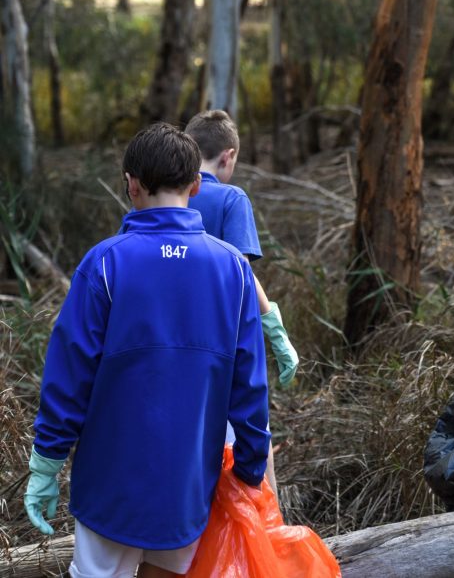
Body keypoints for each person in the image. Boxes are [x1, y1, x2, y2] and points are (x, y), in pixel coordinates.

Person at [24, 123, 270, 578]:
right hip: (188, 486)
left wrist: (46, 462)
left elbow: (68, 374)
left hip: (108, 485)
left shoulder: (104, 262)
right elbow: (250, 383)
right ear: (195, 185)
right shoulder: (233, 270)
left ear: (131, 185)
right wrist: (251, 467)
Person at [184, 110, 299, 390]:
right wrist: (275, 329)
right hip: (215, 335)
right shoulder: (231, 198)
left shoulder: (160, 194)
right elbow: (240, 272)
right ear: (228, 155)